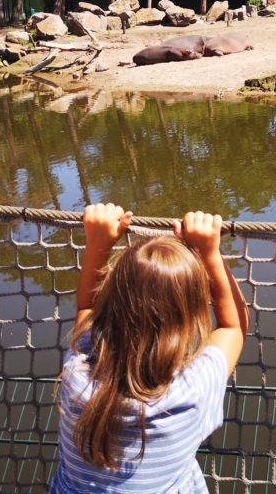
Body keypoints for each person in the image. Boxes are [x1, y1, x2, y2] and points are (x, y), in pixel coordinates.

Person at [50, 205, 248, 493]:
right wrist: (210, 253)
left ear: (112, 301)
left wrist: (99, 243)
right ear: (192, 317)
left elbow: (87, 308)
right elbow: (235, 327)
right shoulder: (192, 391)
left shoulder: (78, 377)